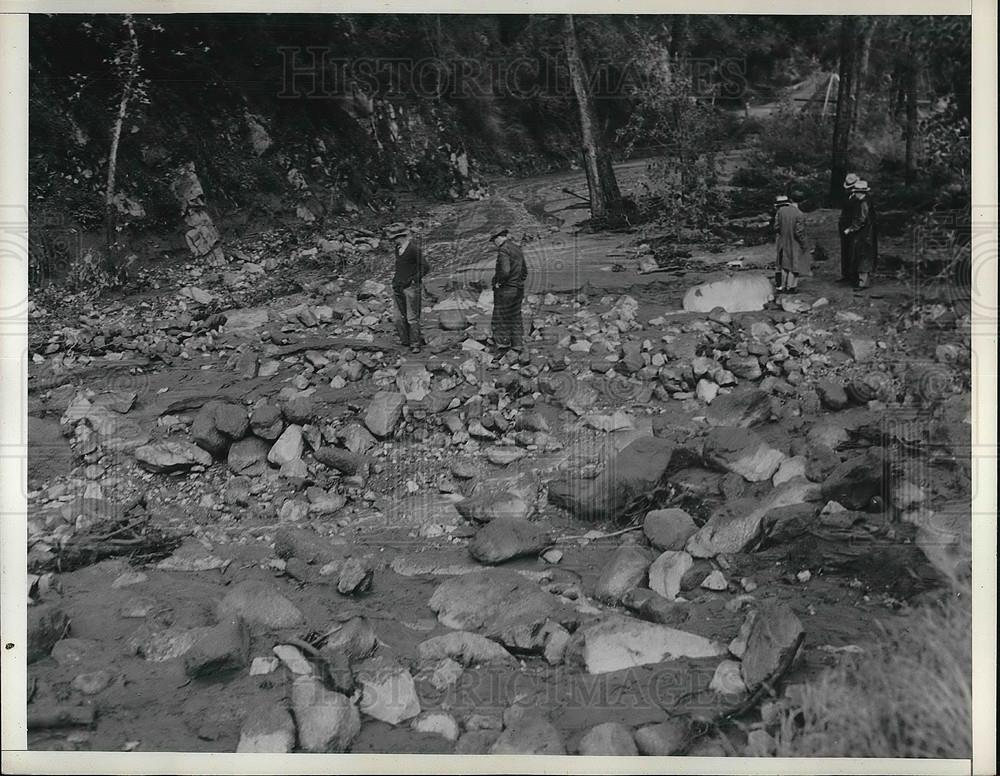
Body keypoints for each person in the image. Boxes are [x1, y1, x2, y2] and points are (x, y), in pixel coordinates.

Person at [390, 228, 430, 353]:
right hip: (398, 286)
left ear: (401, 237)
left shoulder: (413, 249)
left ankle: (415, 343)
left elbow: (425, 266)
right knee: (398, 316)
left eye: (395, 238)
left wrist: (413, 280)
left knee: (412, 317)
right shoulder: (397, 249)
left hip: (411, 287)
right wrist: (395, 280)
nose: (393, 240)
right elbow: (400, 267)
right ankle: (405, 340)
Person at [489, 229, 528, 351]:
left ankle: (502, 346)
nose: (494, 244)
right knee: (515, 316)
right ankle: (517, 345)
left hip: (506, 290)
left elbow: (505, 271)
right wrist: (518, 282)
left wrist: (499, 282)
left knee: (500, 317)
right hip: (518, 289)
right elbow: (525, 272)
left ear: (499, 237)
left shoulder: (504, 250)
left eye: (493, 241)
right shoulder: (517, 248)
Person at [843, 179, 879, 290]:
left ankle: (863, 283)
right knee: (861, 257)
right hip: (865, 234)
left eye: (856, 192)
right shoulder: (865, 201)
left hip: (864, 235)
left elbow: (861, 220)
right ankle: (860, 281)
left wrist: (850, 229)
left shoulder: (864, 203)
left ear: (860, 192)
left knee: (863, 258)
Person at [774, 190, 809, 294]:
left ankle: (783, 286)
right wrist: (804, 244)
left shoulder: (781, 211)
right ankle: (791, 287)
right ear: (802, 202)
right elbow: (799, 232)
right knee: (794, 265)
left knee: (784, 264)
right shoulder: (799, 214)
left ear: (790, 199)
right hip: (794, 242)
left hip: (782, 241)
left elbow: (776, 227)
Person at [838, 172, 860, 284]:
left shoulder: (859, 199)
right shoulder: (848, 196)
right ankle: (845, 274)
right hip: (844, 227)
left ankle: (854, 277)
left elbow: (858, 215)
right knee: (845, 251)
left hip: (853, 228)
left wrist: (852, 227)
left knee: (854, 252)